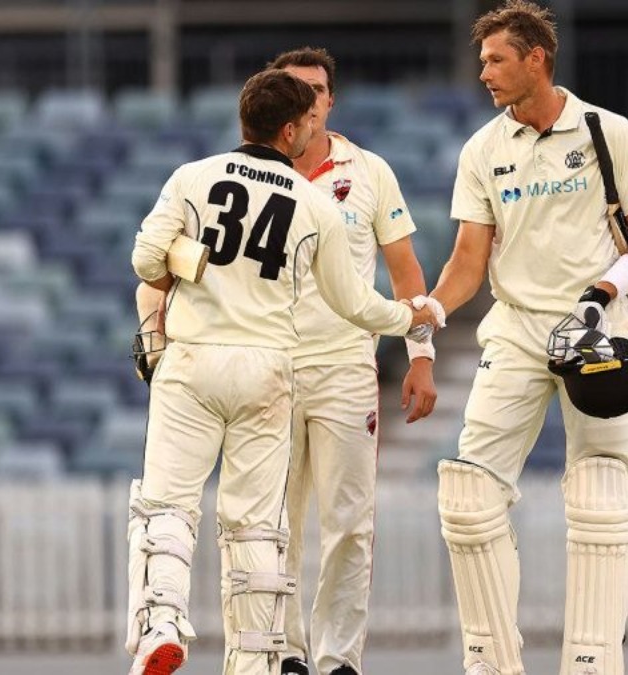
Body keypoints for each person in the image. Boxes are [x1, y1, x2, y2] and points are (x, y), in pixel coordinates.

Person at [125, 69, 439, 675]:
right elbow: (355, 304)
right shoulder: (314, 203)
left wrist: (196, 261)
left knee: (168, 504)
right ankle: (256, 661)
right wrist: (409, 317)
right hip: (270, 370)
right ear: (291, 129)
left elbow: (145, 261)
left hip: (193, 362)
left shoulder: (193, 176)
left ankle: (161, 624)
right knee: (256, 525)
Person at [418, 1, 628, 673]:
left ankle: (591, 662)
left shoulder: (606, 130)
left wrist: (603, 292)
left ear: (537, 59)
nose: (484, 74)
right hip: (520, 329)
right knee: (467, 495)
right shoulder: (483, 149)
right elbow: (469, 261)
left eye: (496, 59)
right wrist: (430, 313)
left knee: (601, 493)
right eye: (481, 62)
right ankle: (493, 664)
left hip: (599, 327)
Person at [264, 47, 437, 675]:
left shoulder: (367, 171)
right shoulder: (255, 172)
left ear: (331, 99)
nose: (308, 99)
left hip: (344, 368)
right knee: (272, 522)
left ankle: (338, 658)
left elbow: (405, 270)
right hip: (271, 369)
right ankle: (282, 653)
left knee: (348, 523)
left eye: (317, 88)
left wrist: (420, 355)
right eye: (294, 89)